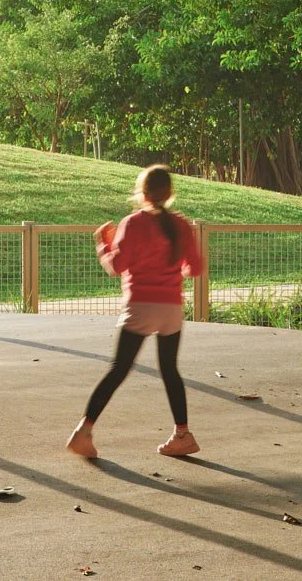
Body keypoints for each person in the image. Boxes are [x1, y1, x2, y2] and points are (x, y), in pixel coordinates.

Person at [66, 165, 206, 461]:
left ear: (142, 193)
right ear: (170, 194)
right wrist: (173, 267)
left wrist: (104, 243)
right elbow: (195, 268)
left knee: (119, 369)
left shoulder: (132, 223)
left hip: (140, 306)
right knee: (169, 370)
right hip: (171, 309)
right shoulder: (181, 226)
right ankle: (183, 435)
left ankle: (84, 432)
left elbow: (117, 267)